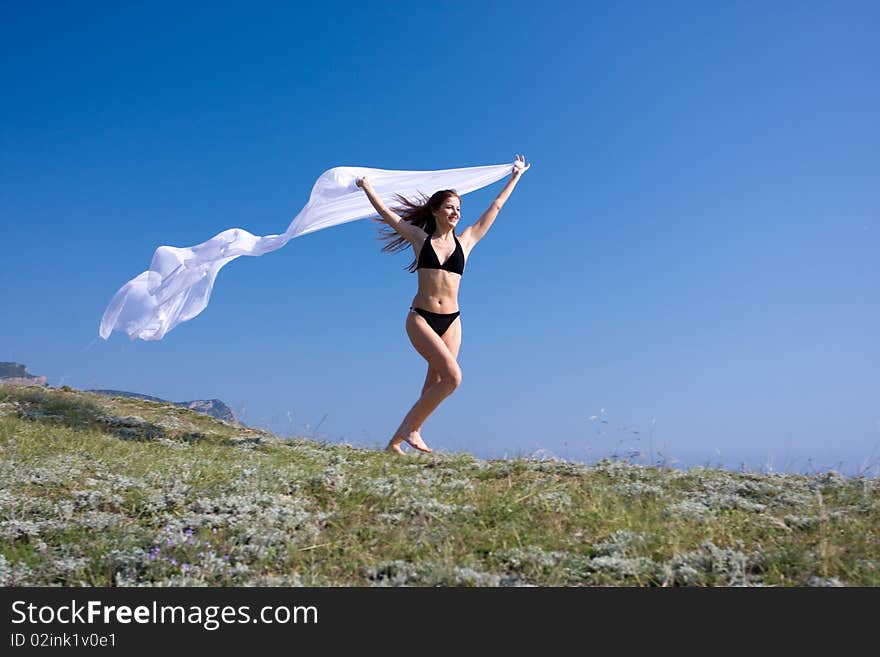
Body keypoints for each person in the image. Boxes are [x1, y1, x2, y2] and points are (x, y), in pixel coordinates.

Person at [356, 154, 530, 454]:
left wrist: (515, 176)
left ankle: (396, 442)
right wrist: (367, 188)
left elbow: (496, 207)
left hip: (452, 321)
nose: (456, 212)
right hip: (421, 318)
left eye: (459, 208)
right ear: (436, 210)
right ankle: (412, 430)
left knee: (434, 384)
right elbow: (388, 214)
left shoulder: (467, 241)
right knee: (453, 378)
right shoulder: (419, 239)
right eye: (450, 207)